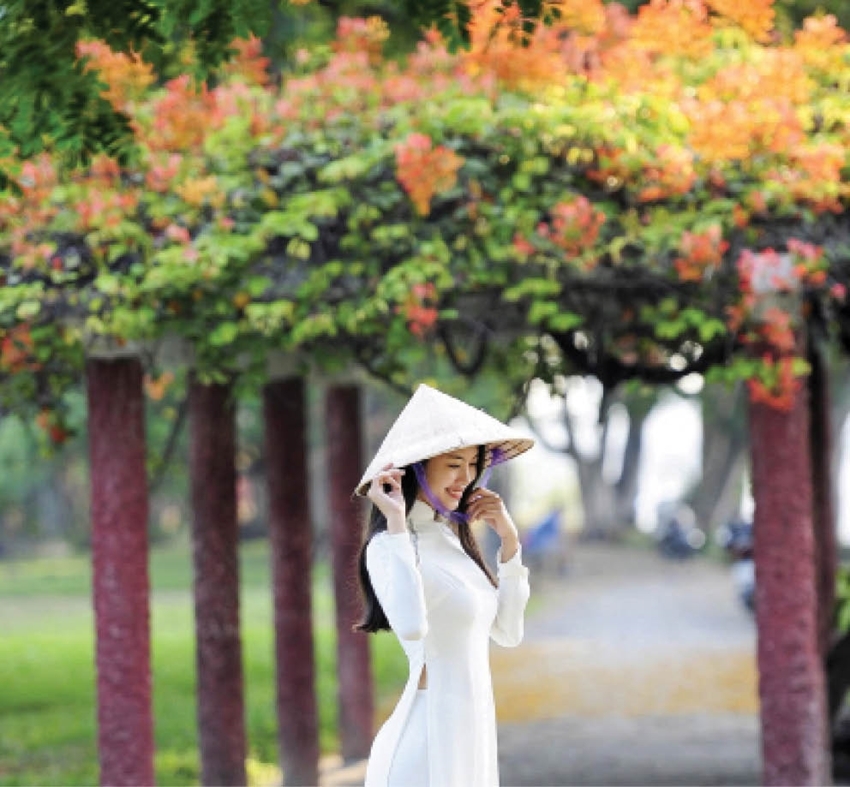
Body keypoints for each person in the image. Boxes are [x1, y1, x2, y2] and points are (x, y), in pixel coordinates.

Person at [353, 383, 534, 787]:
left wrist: (509, 543)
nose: (466, 478)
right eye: (454, 463)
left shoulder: (453, 540)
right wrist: (397, 524)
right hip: (425, 739)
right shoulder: (387, 546)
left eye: (473, 465)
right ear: (417, 466)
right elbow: (412, 624)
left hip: (471, 729)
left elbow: (508, 632)